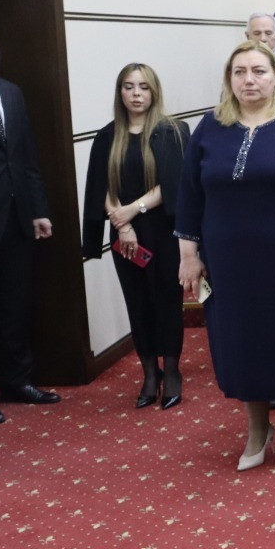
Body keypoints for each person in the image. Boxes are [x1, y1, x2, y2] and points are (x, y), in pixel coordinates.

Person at [176, 41, 275, 470]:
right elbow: (189, 194)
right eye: (240, 72)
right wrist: (189, 255)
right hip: (228, 261)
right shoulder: (210, 127)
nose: (249, 80)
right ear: (229, 79)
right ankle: (257, 428)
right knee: (241, 341)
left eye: (259, 71)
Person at [81, 63, 188, 411]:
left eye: (143, 87)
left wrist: (132, 210)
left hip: (164, 229)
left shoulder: (173, 131)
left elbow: (172, 183)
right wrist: (123, 223)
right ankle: (149, 373)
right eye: (128, 87)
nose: (136, 94)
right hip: (125, 235)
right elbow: (100, 185)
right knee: (137, 302)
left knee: (167, 301)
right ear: (120, 93)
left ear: (154, 91)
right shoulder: (107, 135)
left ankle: (172, 371)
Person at [0, 22, 56, 423]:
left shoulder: (11, 92)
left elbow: (25, 157)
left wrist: (38, 209)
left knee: (15, 305)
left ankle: (16, 381)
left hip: (16, 218)